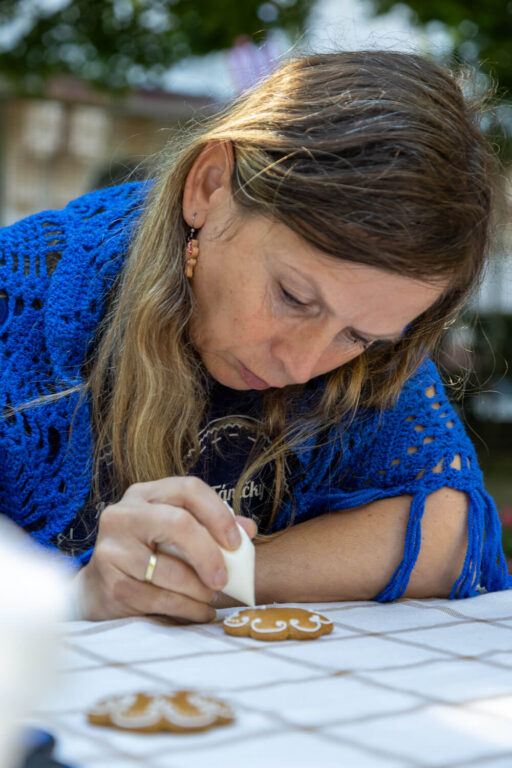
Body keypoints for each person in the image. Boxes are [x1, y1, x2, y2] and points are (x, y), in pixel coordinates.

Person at [0, 50, 509, 622]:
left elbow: (447, 532)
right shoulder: (17, 296)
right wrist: (77, 595)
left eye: (361, 335)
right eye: (293, 297)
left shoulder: (373, 341)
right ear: (209, 186)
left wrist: (218, 574)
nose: (302, 364)